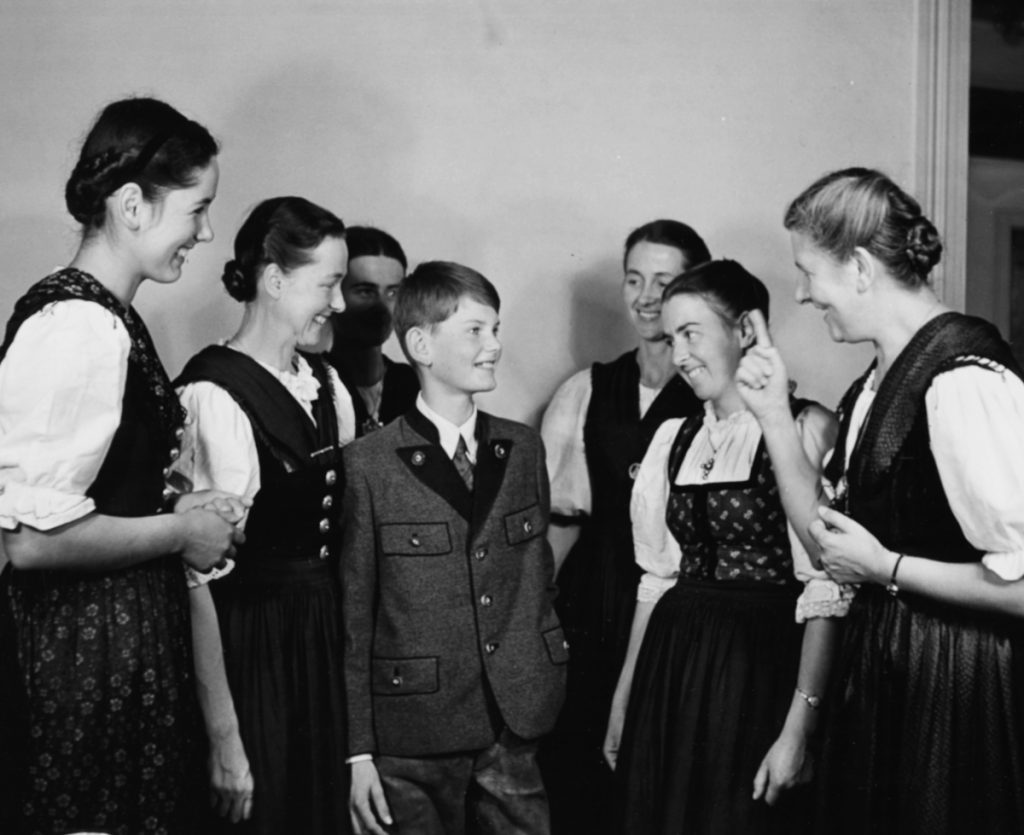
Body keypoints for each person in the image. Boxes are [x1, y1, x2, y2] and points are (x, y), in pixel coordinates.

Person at [737, 167, 1024, 833]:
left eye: (809, 272)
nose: (803, 294)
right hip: (889, 679)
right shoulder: (873, 385)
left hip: (958, 693)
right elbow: (831, 549)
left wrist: (887, 566)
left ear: (861, 268)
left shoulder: (964, 381)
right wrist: (775, 418)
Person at [0, 96, 243, 835]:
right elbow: (28, 539)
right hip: (80, 670)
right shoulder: (78, 325)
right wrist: (180, 533)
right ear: (132, 205)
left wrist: (184, 509)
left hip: (116, 660)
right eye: (196, 208)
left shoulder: (109, 317)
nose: (205, 233)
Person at [603, 260, 845, 834]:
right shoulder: (673, 438)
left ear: (744, 331)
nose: (679, 354)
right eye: (671, 338)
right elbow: (656, 581)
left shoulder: (807, 429)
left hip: (759, 673)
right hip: (673, 669)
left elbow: (828, 590)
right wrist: (623, 701)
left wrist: (798, 731)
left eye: (692, 334)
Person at [342, 261, 567, 835]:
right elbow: (354, 618)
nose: (494, 346)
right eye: (475, 330)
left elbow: (536, 579)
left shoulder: (520, 449)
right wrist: (359, 752)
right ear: (420, 343)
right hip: (412, 728)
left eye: (496, 329)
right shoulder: (368, 465)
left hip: (514, 719)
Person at [174, 196, 357, 834]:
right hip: (252, 647)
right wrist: (224, 736)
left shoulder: (330, 388)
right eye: (328, 284)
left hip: (327, 642)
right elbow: (197, 575)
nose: (338, 303)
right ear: (274, 280)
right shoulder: (212, 393)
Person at [539, 219, 707, 833]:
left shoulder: (718, 395)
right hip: (595, 595)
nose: (644, 296)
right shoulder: (588, 388)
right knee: (581, 762)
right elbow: (561, 522)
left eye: (663, 282)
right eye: (634, 279)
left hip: (680, 603)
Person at [323, 226, 418, 434]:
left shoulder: (414, 384)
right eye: (365, 291)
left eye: (393, 292)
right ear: (335, 295)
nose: (382, 308)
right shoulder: (313, 384)